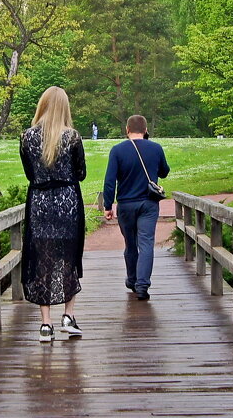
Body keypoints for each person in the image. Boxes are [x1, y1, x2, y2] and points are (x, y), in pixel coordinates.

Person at [20, 87, 87, 343]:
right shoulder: (72, 137)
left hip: (39, 204)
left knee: (42, 260)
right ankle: (68, 316)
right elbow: (80, 172)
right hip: (67, 204)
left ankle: (45, 324)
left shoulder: (27, 137)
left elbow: (30, 174)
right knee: (68, 258)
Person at [102, 115, 170, 301]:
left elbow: (109, 181)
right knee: (146, 243)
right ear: (146, 129)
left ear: (127, 129)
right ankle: (142, 285)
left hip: (126, 204)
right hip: (148, 203)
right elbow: (164, 172)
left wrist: (108, 205)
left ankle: (132, 279)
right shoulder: (155, 148)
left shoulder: (117, 150)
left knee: (130, 244)